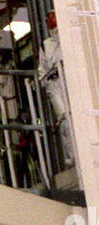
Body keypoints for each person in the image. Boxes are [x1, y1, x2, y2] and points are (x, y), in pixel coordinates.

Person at [38, 10, 74, 166]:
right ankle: (72, 155)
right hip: (54, 83)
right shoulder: (45, 45)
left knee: (76, 117)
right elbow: (42, 69)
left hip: (69, 80)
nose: (50, 20)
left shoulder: (69, 36)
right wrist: (44, 82)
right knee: (64, 120)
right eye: (47, 18)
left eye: (52, 16)